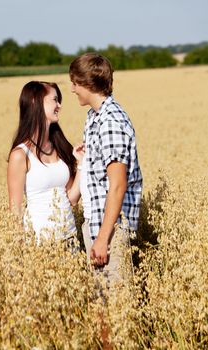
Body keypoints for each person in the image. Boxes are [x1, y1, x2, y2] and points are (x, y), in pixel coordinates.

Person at [70, 53, 143, 282]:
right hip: (98, 224)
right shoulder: (94, 116)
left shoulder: (110, 121)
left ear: (88, 83)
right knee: (100, 304)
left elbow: (118, 184)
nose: (72, 89)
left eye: (74, 83)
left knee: (114, 303)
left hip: (110, 230)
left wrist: (103, 238)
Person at [7, 81, 82, 244]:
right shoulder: (20, 154)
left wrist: (82, 164)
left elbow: (72, 200)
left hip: (70, 241)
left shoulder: (60, 147)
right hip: (41, 247)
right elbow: (15, 211)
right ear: (35, 101)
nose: (59, 105)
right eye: (54, 100)